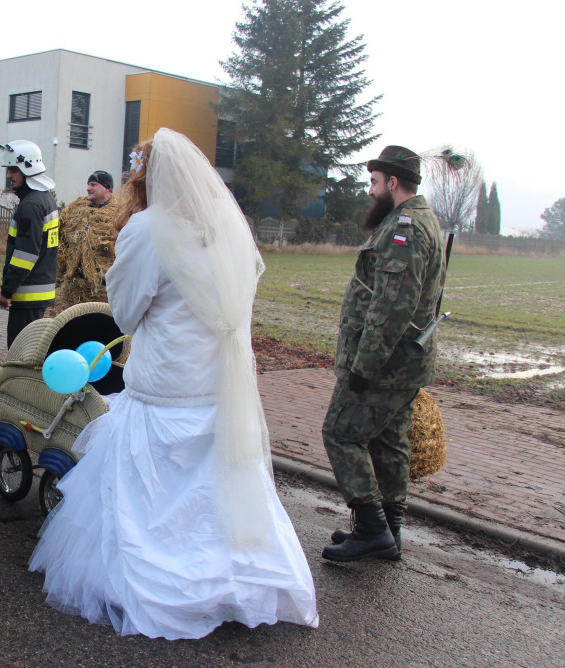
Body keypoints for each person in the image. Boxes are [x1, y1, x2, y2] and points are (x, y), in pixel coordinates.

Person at [28, 129, 318, 640]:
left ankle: (155, 583)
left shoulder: (147, 230)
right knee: (216, 489)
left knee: (154, 496)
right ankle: (233, 580)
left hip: (164, 385)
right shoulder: (226, 228)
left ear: (144, 177)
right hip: (218, 385)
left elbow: (124, 313)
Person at [321, 145, 446, 562]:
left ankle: (373, 529)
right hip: (405, 365)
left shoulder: (405, 229)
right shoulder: (420, 220)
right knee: (390, 444)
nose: (370, 191)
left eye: (374, 183)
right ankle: (389, 533)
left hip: (384, 365)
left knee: (340, 433)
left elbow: (392, 306)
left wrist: (364, 366)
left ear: (393, 183)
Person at [0, 140, 59, 347]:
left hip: (28, 293)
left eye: (13, 170)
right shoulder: (45, 198)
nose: (9, 175)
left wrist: (7, 290)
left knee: (19, 353)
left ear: (27, 168)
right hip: (38, 291)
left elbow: (26, 254)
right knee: (29, 351)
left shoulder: (31, 205)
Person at [57, 170, 119, 307]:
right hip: (76, 290)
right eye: (88, 184)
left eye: (93, 184)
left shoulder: (121, 213)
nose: (88, 188)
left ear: (106, 187)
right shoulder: (75, 209)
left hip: (106, 292)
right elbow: (62, 245)